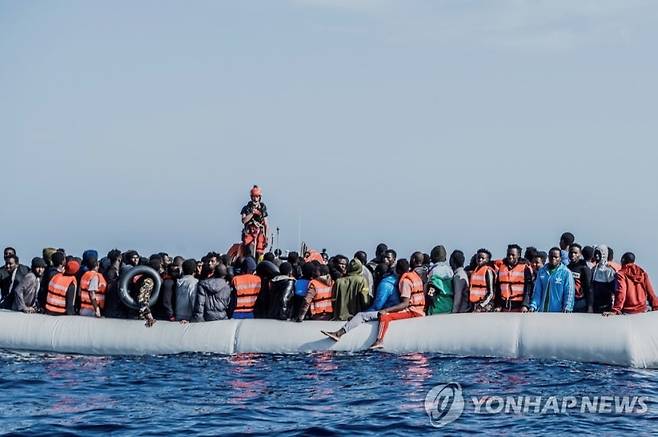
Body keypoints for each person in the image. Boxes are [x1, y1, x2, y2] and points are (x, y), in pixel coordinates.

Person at [321, 264, 399, 339]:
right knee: (361, 315)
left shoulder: (338, 281)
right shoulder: (363, 280)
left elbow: (333, 301)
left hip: (339, 316)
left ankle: (338, 334)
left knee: (361, 315)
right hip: (390, 311)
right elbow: (365, 300)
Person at [369, 259, 425, 349]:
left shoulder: (405, 281)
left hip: (413, 311)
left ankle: (379, 340)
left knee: (385, 316)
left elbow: (405, 304)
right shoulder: (415, 276)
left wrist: (385, 310)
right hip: (420, 309)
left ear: (398, 270)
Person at [529, 248, 575, 313]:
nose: (553, 258)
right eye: (551, 256)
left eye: (556, 257)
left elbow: (569, 291)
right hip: (542, 311)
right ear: (548, 257)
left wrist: (568, 307)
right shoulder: (542, 271)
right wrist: (533, 306)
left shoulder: (566, 272)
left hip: (559, 312)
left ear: (560, 258)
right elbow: (537, 291)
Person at [496, 244, 533, 312]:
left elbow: (528, 289)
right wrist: (498, 305)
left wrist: (525, 305)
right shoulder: (501, 268)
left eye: (513, 255)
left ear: (518, 255)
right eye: (508, 254)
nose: (510, 257)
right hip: (504, 307)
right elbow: (498, 288)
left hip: (519, 307)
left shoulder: (525, 268)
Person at [241, 185, 269, 259]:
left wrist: (266, 237)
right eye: (253, 196)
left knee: (260, 250)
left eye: (257, 196)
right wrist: (252, 213)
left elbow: (266, 224)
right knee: (250, 247)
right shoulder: (246, 208)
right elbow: (243, 220)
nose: (255, 199)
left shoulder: (262, 208)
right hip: (249, 232)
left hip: (260, 232)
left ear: (259, 197)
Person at [426, 245, 454, 315]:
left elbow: (431, 293)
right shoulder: (450, 271)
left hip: (437, 307)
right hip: (449, 305)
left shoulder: (434, 271)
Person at [567, 244, 593, 313]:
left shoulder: (584, 268)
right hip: (568, 301)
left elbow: (589, 288)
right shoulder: (567, 268)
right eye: (571, 252)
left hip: (580, 302)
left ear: (580, 254)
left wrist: (590, 306)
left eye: (575, 253)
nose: (573, 255)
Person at [591, 245, 616, 313]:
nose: (596, 255)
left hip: (606, 304)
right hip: (595, 304)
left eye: (599, 253)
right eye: (595, 253)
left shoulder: (609, 270)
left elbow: (614, 289)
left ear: (604, 254)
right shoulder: (593, 269)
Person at [103, 249, 125, 319]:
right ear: (119, 259)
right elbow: (110, 287)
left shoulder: (108, 270)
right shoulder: (112, 272)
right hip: (113, 306)